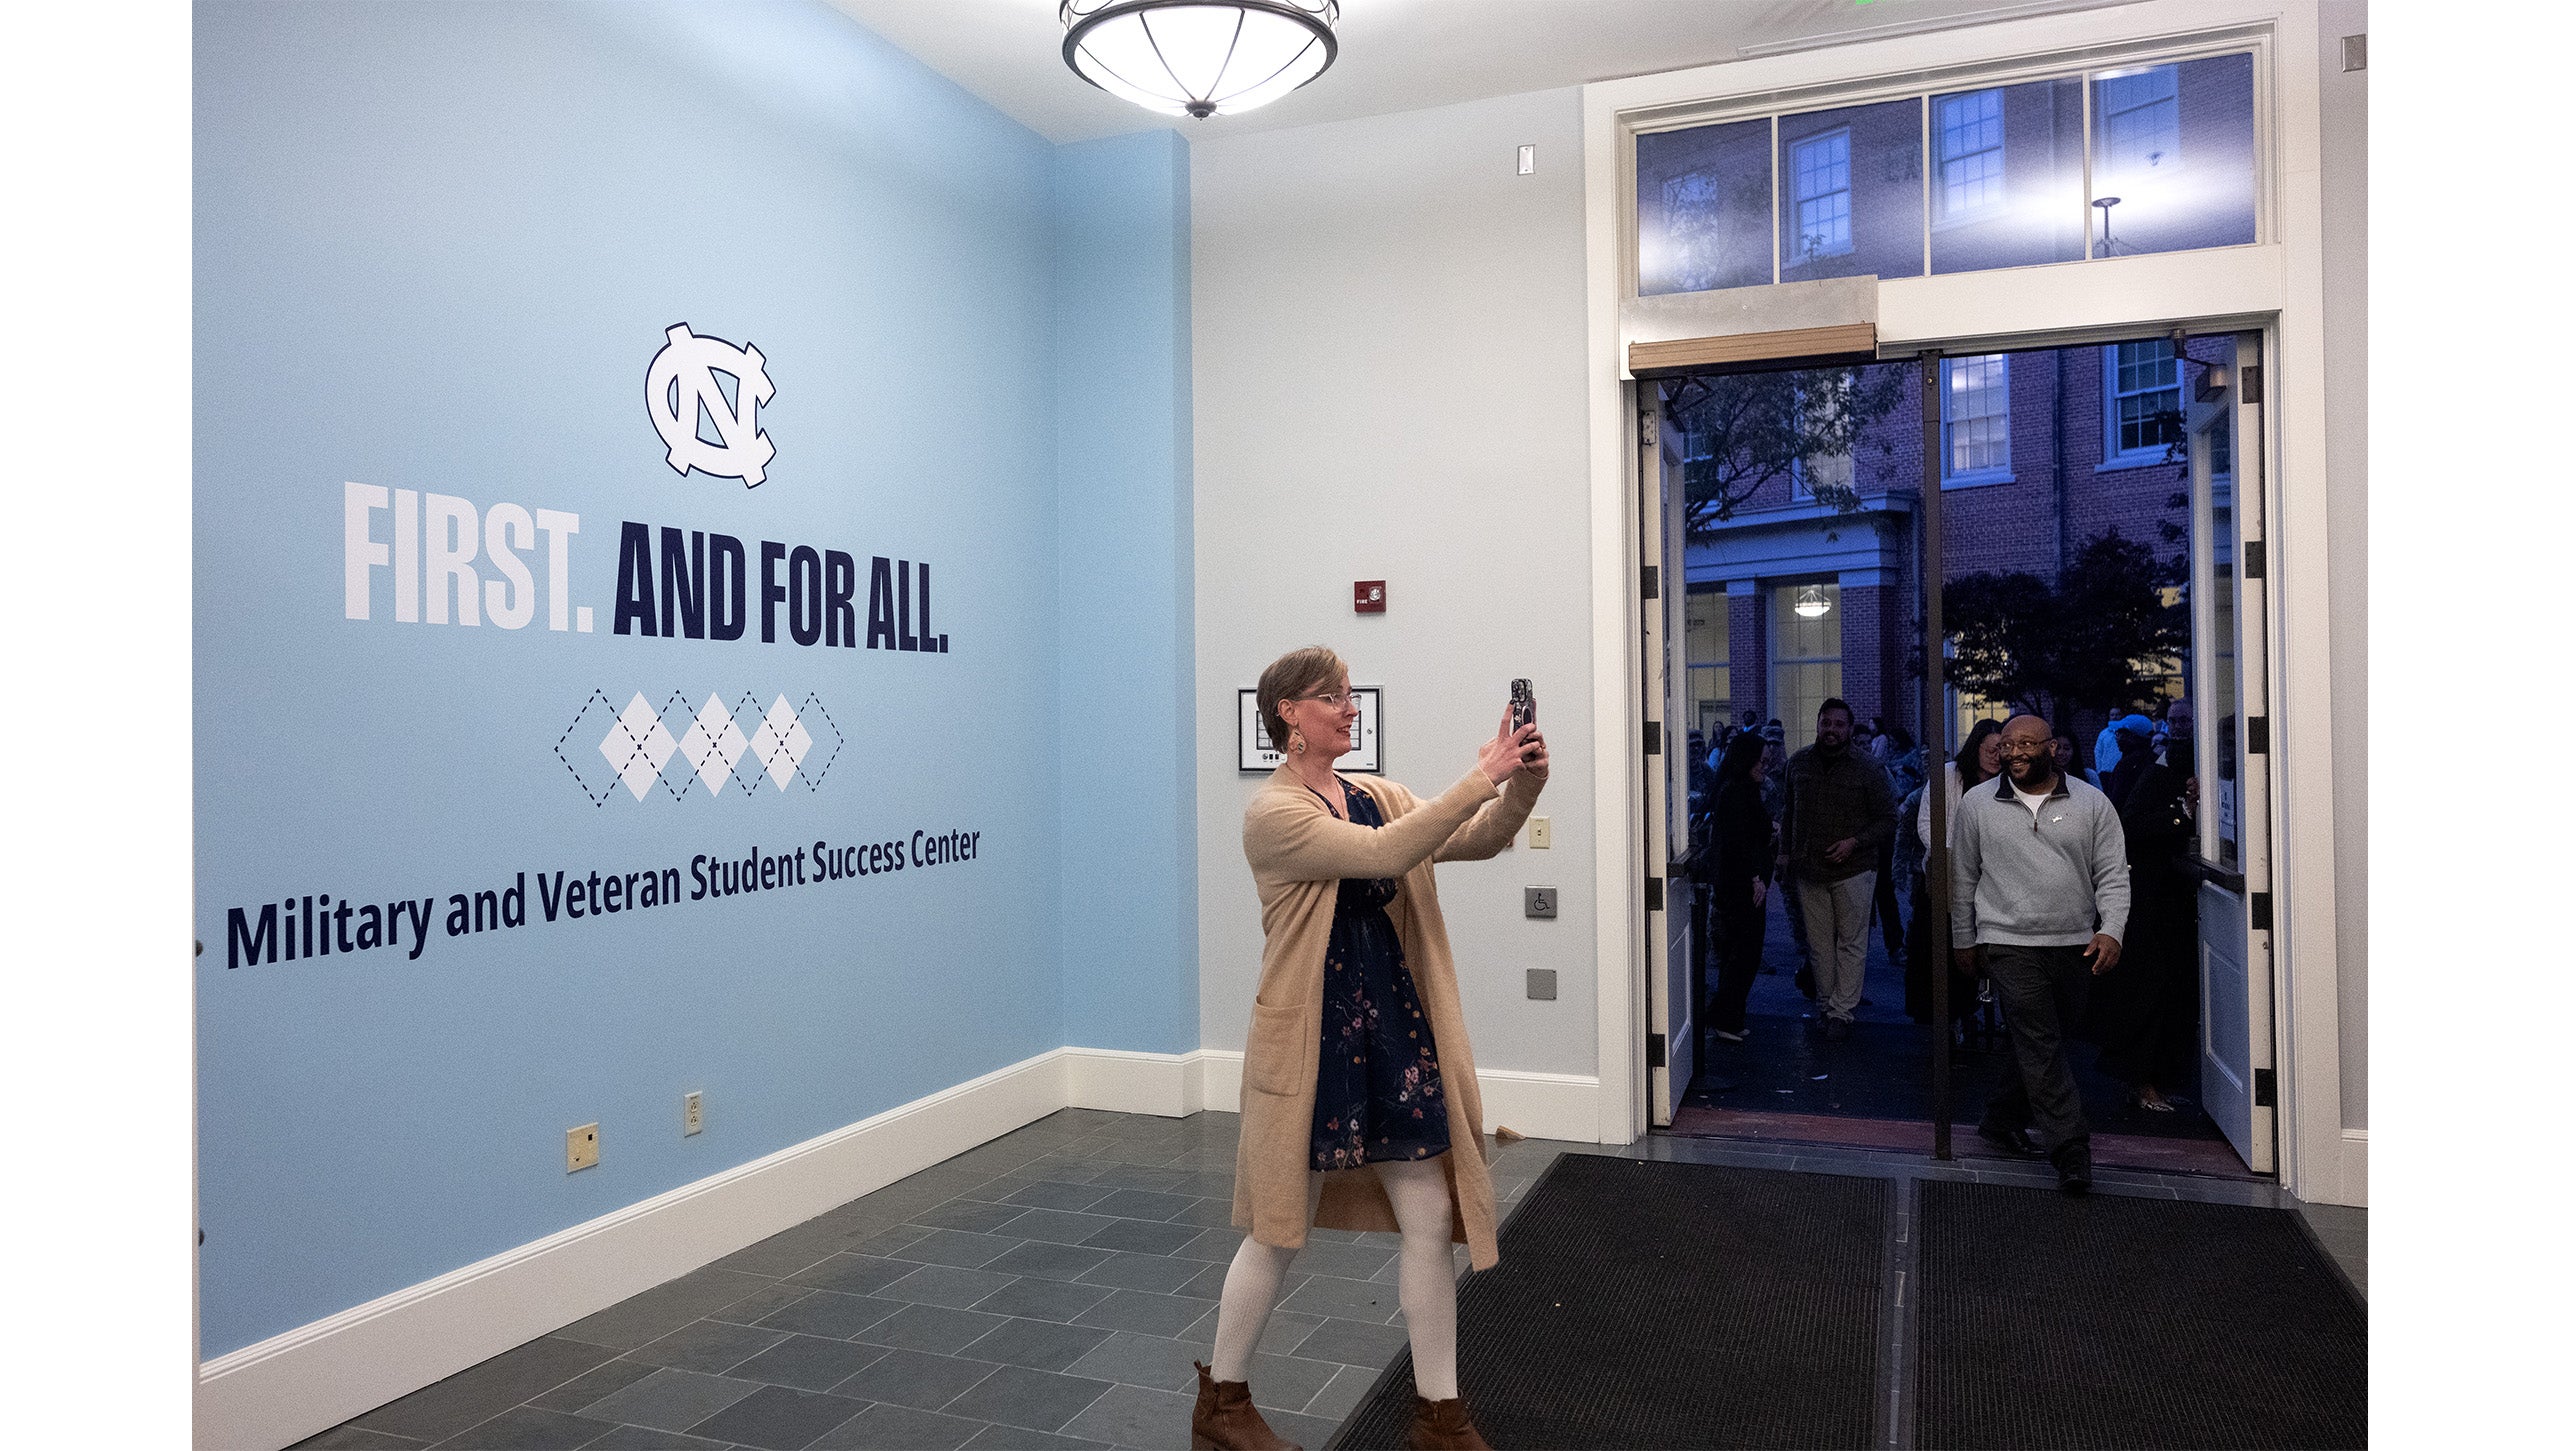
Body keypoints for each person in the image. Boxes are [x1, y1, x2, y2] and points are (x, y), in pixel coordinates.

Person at [1200, 646, 1546, 1451]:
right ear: (1288, 712)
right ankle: (1222, 1401)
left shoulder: (1375, 794)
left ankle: (1440, 1415)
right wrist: (1479, 771)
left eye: (1350, 696)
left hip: (1389, 1030)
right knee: (1281, 1227)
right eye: (1332, 698)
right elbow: (1385, 853)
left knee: (1427, 1211)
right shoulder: (1274, 814)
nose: (1350, 709)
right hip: (1314, 1041)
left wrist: (1520, 774)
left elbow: (1479, 836)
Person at [1950, 715, 2131, 1195]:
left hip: (2075, 942)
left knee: (2048, 1035)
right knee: (2041, 1043)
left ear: (2052, 747)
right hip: (2008, 943)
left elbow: (2113, 874)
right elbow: (1962, 878)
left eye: (2027, 743)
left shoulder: (2092, 803)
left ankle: (1999, 1117)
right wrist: (1963, 939)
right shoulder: (1976, 805)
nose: (2015, 753)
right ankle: (2071, 1150)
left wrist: (2111, 930)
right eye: (2007, 745)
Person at [2092, 724, 2203, 1114]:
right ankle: (2142, 1081)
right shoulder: (2155, 777)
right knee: (2150, 994)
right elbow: (2132, 828)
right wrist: (2184, 812)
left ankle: (2160, 1080)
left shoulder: (2158, 773)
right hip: (2152, 905)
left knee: (2177, 995)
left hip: (2176, 905)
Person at [1778, 699, 1897, 1039]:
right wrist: (1784, 854)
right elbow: (1788, 811)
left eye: (1838, 725)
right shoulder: (1798, 764)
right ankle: (1825, 1004)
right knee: (1818, 945)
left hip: (1855, 869)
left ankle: (1842, 1013)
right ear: (1817, 724)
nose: (1831, 730)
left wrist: (1854, 843)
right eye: (1825, 723)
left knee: (1851, 942)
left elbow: (1889, 818)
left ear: (1849, 728)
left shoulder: (1868, 768)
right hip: (1809, 869)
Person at [1902, 719, 2006, 1029]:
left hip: (1988, 880)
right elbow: (1926, 822)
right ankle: (1943, 1017)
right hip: (1944, 877)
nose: (1995, 756)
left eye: (2000, 750)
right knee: (1939, 949)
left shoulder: (2006, 782)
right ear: (1976, 747)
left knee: (1976, 951)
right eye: (1990, 749)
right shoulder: (1948, 775)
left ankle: (1972, 1010)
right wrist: (1954, 851)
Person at [1702, 733, 1775, 1043]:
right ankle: (1725, 1016)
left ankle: (1729, 1015)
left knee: (1739, 952)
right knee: (1744, 952)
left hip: (1736, 881)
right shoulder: (1738, 793)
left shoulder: (1737, 789)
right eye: (1761, 760)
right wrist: (1755, 877)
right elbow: (1739, 841)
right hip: (1740, 883)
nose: (1765, 767)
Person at [2100, 714, 2153, 802]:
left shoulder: (2125, 766)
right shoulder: (2151, 760)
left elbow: (2116, 800)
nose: (2116, 738)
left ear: (2132, 737)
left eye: (2120, 733)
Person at [2090, 706, 2130, 774]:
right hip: (2106, 772)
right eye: (2112, 715)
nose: (2115, 717)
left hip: (2122, 772)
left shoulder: (2127, 733)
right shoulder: (2103, 734)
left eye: (2117, 714)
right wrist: (2099, 770)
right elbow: (2098, 752)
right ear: (2109, 717)